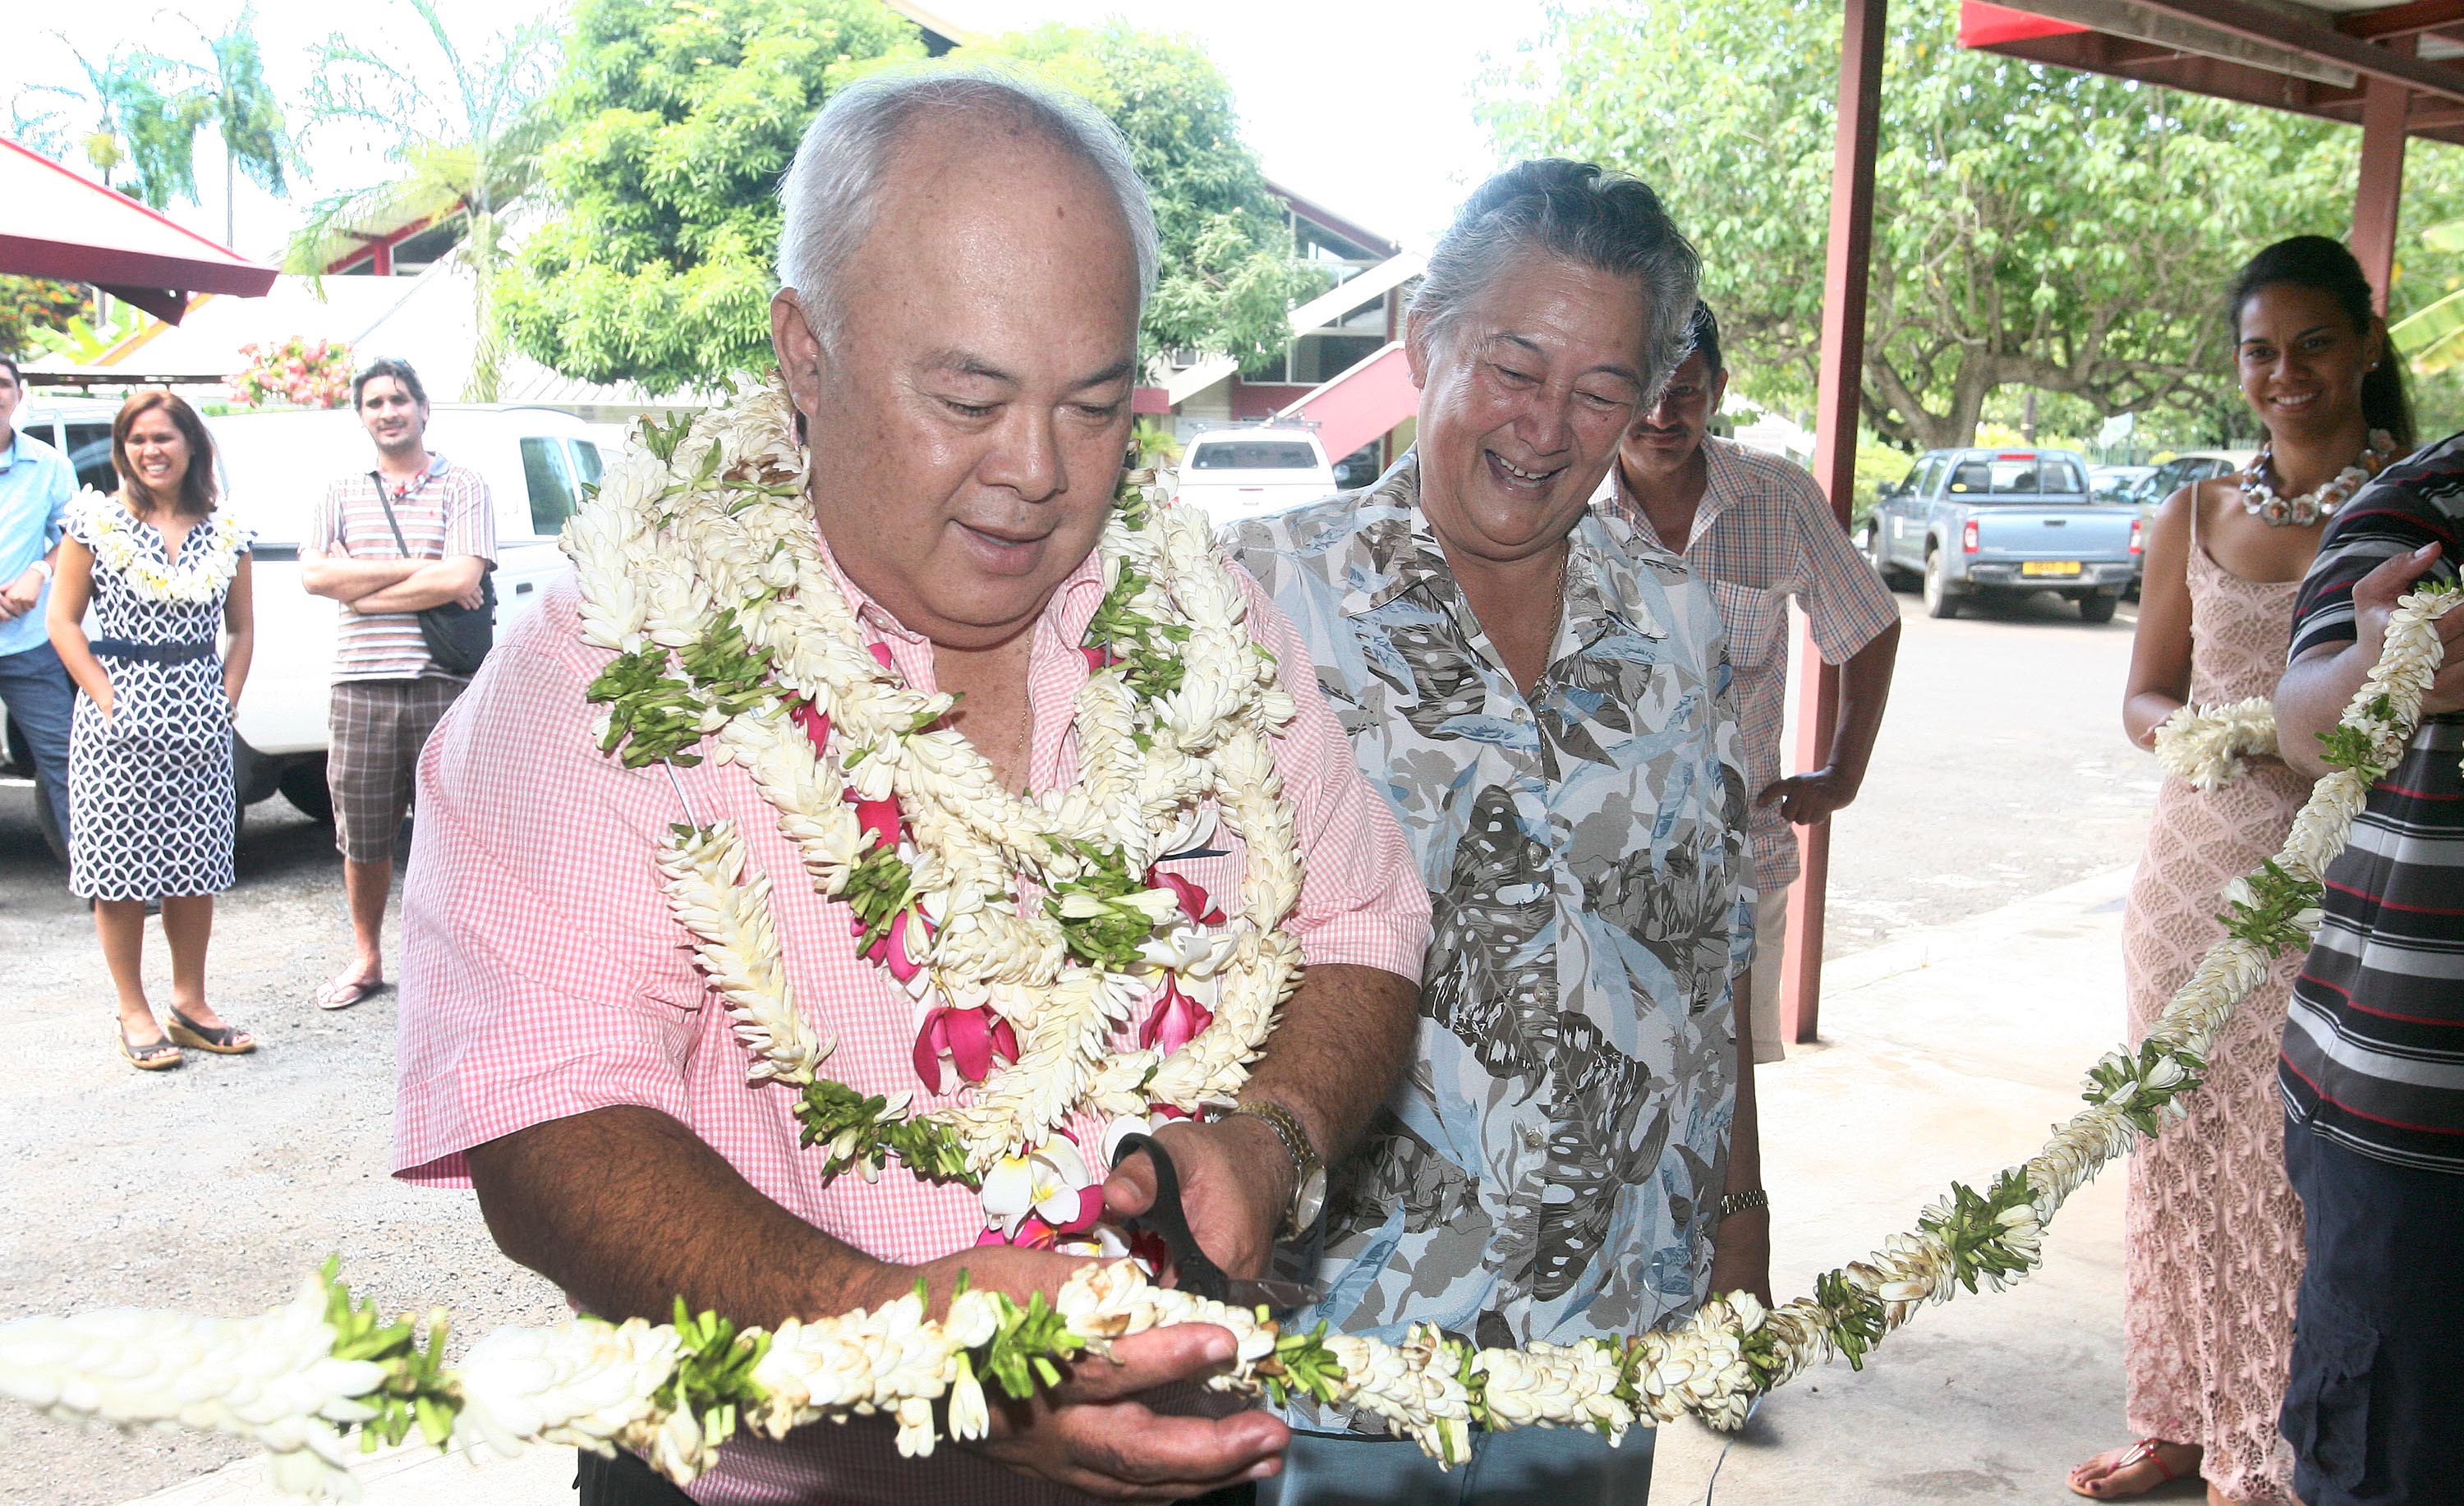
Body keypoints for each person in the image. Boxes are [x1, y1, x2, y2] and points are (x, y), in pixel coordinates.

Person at [391, 70, 1430, 1505]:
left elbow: (1362, 924)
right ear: (805, 353)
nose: (1036, 472)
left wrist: (1276, 1135)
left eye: (1093, 404)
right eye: (969, 395)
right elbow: (548, 1117)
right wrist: (883, 1331)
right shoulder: (609, 659)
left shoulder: (1205, 618)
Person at [1224, 160, 1762, 1506]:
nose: (1547, 425)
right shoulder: (1257, 593)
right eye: (1514, 366)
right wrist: (1217, 1160)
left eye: (1601, 387)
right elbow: (1149, 926)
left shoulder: (1683, 620)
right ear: (1424, 347)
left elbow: (1710, 943)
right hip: (1343, 1313)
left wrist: (1742, 1207)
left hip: (1601, 1305)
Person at [2072, 238, 2412, 1506]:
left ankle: (2274, 1444)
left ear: (2367, 343)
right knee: (2176, 1146)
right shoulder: (2196, 512)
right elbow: (2142, 694)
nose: (2289, 374)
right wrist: (2209, 729)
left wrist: (2303, 731)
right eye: (2262, 352)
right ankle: (2181, 1417)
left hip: (2344, 880)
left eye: (2315, 343)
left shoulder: (2413, 508)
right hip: (2186, 878)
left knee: (2295, 1167)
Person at [1602, 301, 1901, 1064]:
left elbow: (1868, 623)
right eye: (1645, 393)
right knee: (1606, 1078)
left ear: (1721, 388)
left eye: (1687, 394)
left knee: (1729, 1085)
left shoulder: (1778, 496)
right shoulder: (1566, 500)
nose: (1663, 416)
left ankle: (1739, 1194)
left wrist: (1844, 773)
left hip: (1740, 855)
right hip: (1598, 859)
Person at [2269, 380, 2464, 1504]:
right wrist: (2385, 671)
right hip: (2407, 1120)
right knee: (2386, 1467)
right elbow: (2305, 719)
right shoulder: (2420, 507)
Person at [45, 391, 256, 1070]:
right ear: (123, 449)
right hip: (118, 712)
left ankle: (190, 1004)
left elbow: (244, 629)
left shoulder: (226, 530)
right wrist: (106, 699)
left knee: (195, 862)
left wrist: (222, 699)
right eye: (137, 439)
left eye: (164, 437)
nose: (151, 451)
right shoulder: (95, 523)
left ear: (191, 444)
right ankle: (133, 1009)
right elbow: (63, 622)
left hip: (198, 711)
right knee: (120, 868)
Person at [298, 357, 494, 1012]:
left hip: (445, 682)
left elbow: (460, 579)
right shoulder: (337, 491)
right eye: (375, 402)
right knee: (363, 831)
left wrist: (368, 589)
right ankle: (367, 957)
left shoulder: (464, 485)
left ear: (423, 408)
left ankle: (464, 965)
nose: (388, 412)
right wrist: (420, 568)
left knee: (457, 829)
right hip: (360, 685)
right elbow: (317, 578)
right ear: (361, 415)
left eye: (399, 400)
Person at [0, 355, 78, 865]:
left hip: (28, 641)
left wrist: (40, 572)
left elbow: (77, 532)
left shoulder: (47, 463)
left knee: (66, 759)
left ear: (18, 394)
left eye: (3, 383)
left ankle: (107, 879)